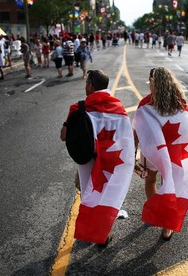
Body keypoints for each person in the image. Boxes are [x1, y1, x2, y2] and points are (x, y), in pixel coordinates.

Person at [132, 67, 188, 241]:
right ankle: (167, 227)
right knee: (172, 185)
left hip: (153, 151)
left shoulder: (145, 103)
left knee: (150, 179)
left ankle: (156, 214)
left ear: (153, 83)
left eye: (150, 82)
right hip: (175, 151)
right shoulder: (180, 102)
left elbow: (138, 129)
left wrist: (133, 151)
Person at [60, 69, 134, 247]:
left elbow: (63, 136)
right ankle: (103, 232)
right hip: (112, 160)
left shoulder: (78, 108)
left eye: (86, 83)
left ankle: (91, 231)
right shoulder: (118, 107)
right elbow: (126, 138)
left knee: (89, 192)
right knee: (107, 194)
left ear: (91, 86)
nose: (85, 87)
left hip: (88, 160)